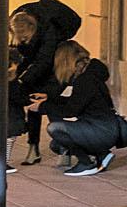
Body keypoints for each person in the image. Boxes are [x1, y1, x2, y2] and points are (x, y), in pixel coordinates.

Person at [8, 0, 82, 168]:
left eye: (25, 37)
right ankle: (33, 148)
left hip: (56, 64)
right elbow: (23, 53)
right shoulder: (16, 21)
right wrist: (18, 71)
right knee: (35, 101)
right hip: (41, 61)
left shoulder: (50, 31)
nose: (21, 40)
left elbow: (44, 60)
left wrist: (23, 79)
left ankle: (64, 148)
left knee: (49, 99)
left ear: (33, 29)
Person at [35, 41, 117, 176]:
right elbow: (78, 101)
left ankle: (86, 164)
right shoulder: (90, 74)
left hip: (103, 130)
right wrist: (48, 98)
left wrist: (42, 107)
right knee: (56, 145)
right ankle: (102, 154)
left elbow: (70, 111)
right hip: (104, 127)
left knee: (55, 129)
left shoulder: (86, 80)